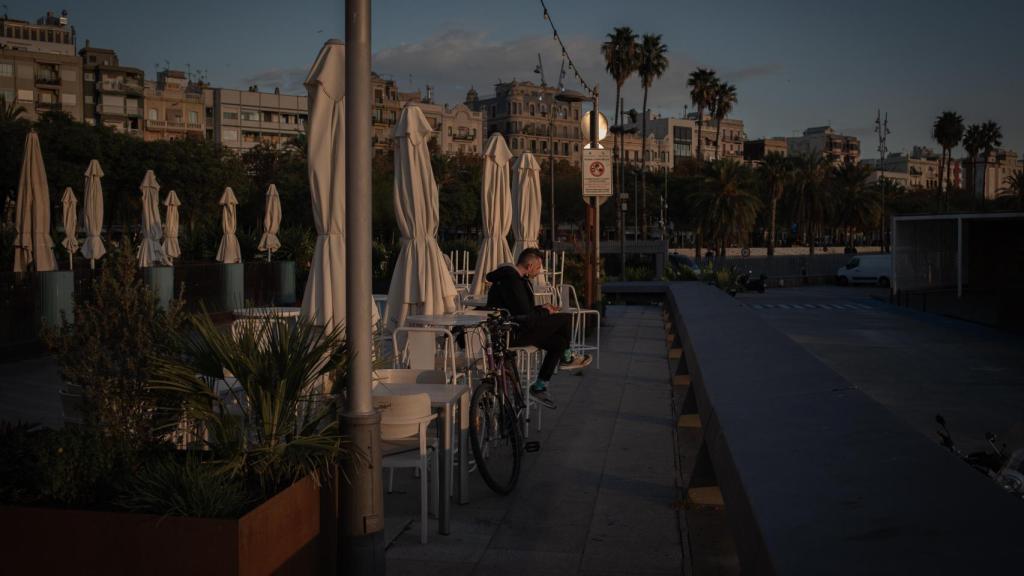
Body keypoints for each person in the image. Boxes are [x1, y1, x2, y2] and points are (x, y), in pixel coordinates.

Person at [485, 248, 591, 409]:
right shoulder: (512, 281)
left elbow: (522, 310)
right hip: (511, 334)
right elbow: (525, 315)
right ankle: (567, 358)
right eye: (538, 267)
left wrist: (543, 308)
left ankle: (540, 387)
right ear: (529, 266)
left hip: (517, 328)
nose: (539, 271)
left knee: (559, 342)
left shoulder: (516, 279)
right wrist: (545, 312)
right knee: (565, 318)